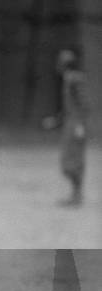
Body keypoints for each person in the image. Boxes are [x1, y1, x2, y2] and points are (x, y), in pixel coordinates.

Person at [56, 49, 90, 206]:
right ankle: (75, 195)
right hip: (71, 123)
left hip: (76, 124)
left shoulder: (74, 79)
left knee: (74, 160)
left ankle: (77, 196)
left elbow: (83, 103)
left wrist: (80, 125)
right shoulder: (67, 79)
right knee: (67, 160)